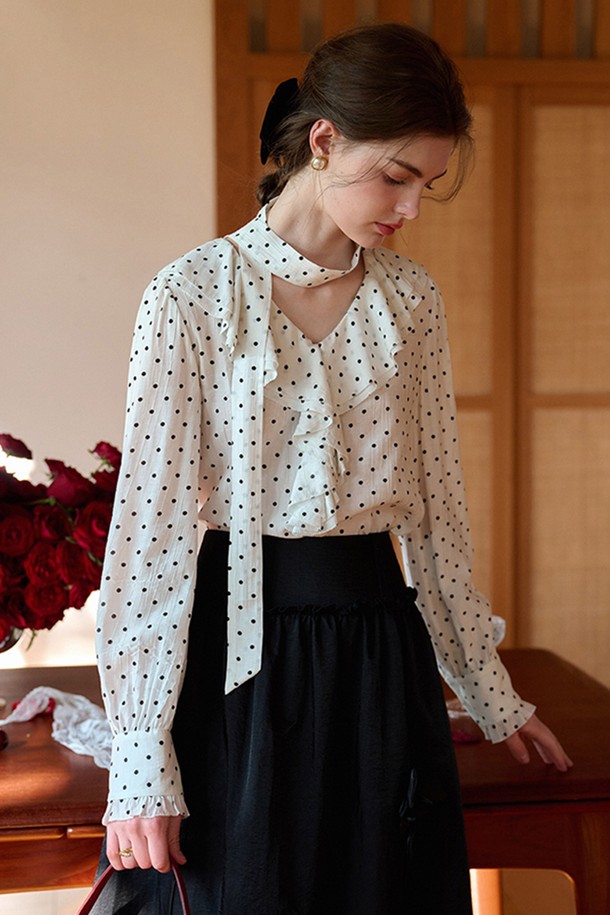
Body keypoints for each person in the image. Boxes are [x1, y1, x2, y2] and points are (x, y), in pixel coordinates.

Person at [92, 22, 572, 915]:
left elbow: (438, 520)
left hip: (379, 657)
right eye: (396, 176)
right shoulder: (191, 294)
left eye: (426, 184)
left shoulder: (411, 301)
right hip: (234, 660)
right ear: (323, 140)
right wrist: (140, 759)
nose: (410, 207)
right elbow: (149, 541)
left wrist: (491, 692)